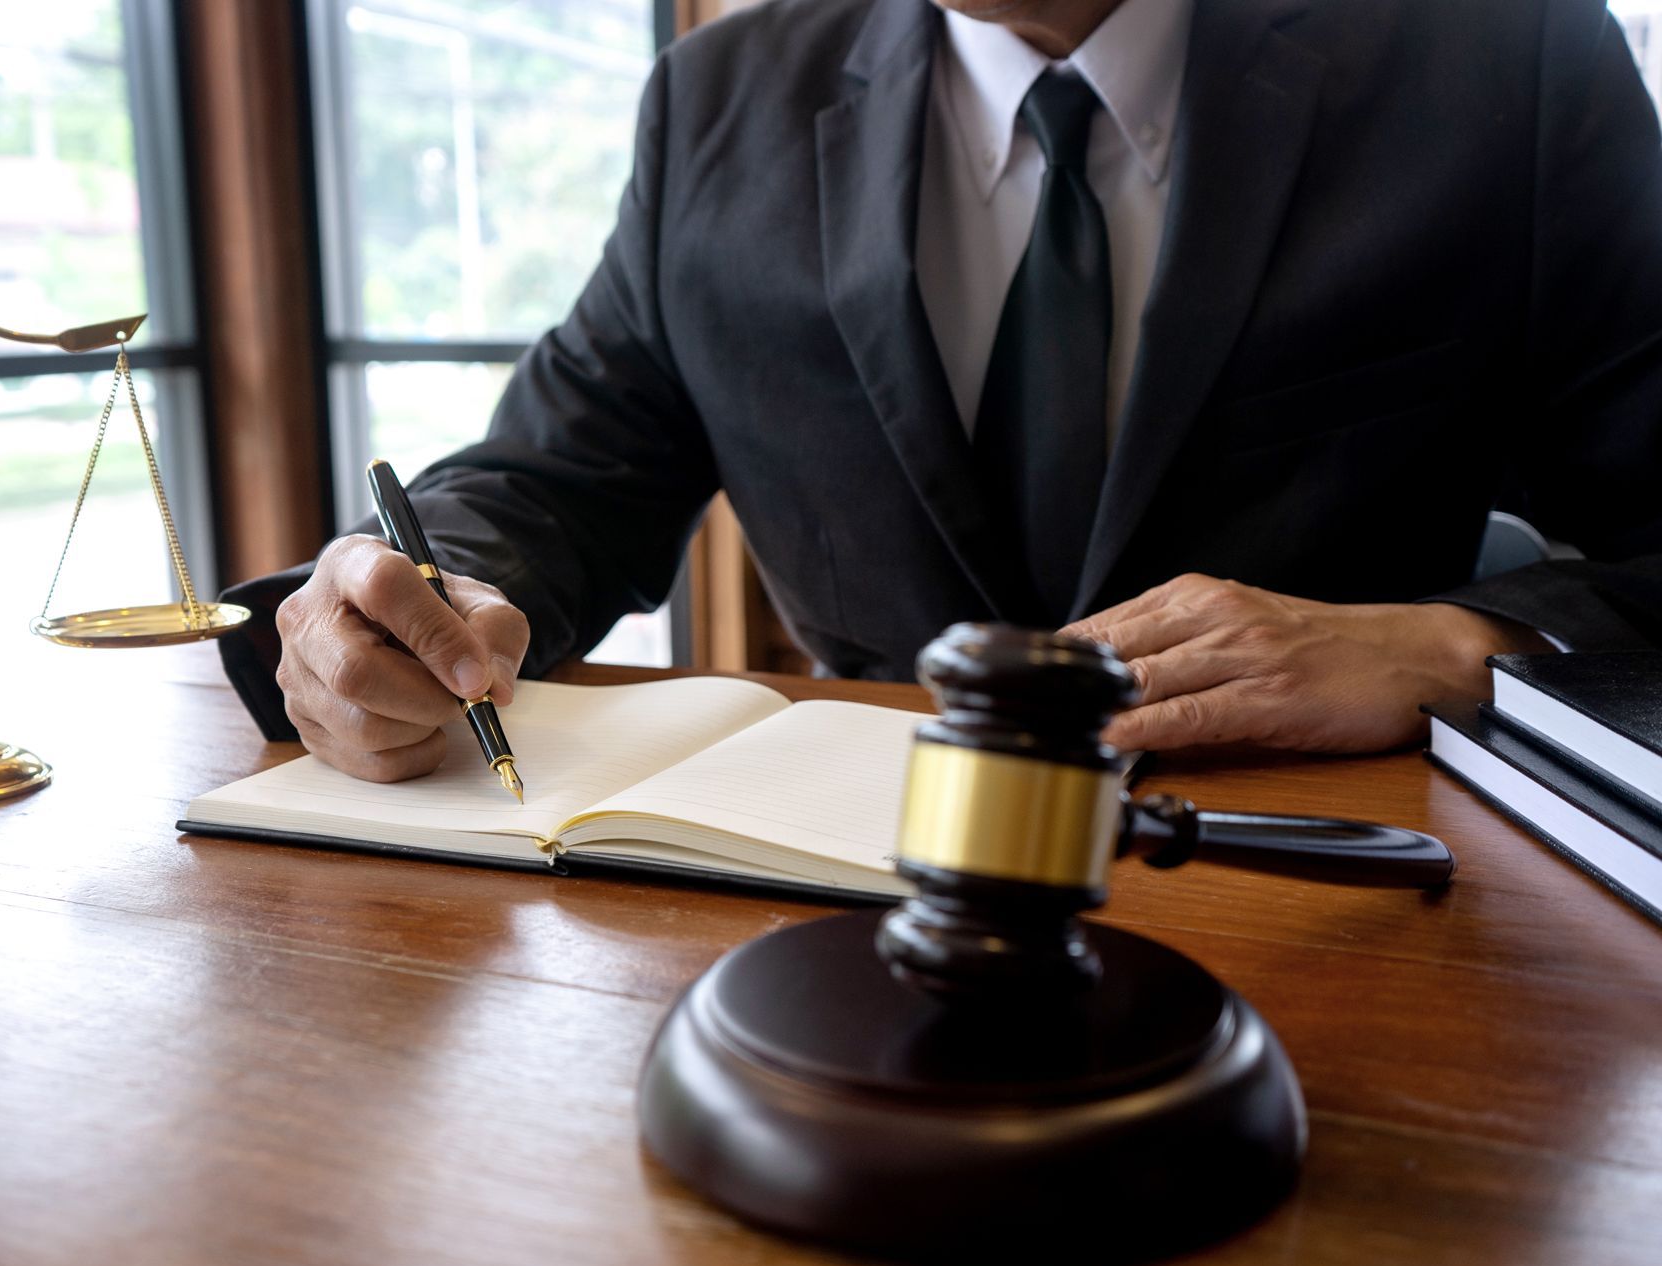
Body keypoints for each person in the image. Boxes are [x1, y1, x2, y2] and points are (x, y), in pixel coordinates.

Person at [220, 0, 1662, 784]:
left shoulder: (1511, 61)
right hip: (846, 893)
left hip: (1350, 890)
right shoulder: (720, 100)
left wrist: (1443, 647)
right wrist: (414, 598)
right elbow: (556, 479)